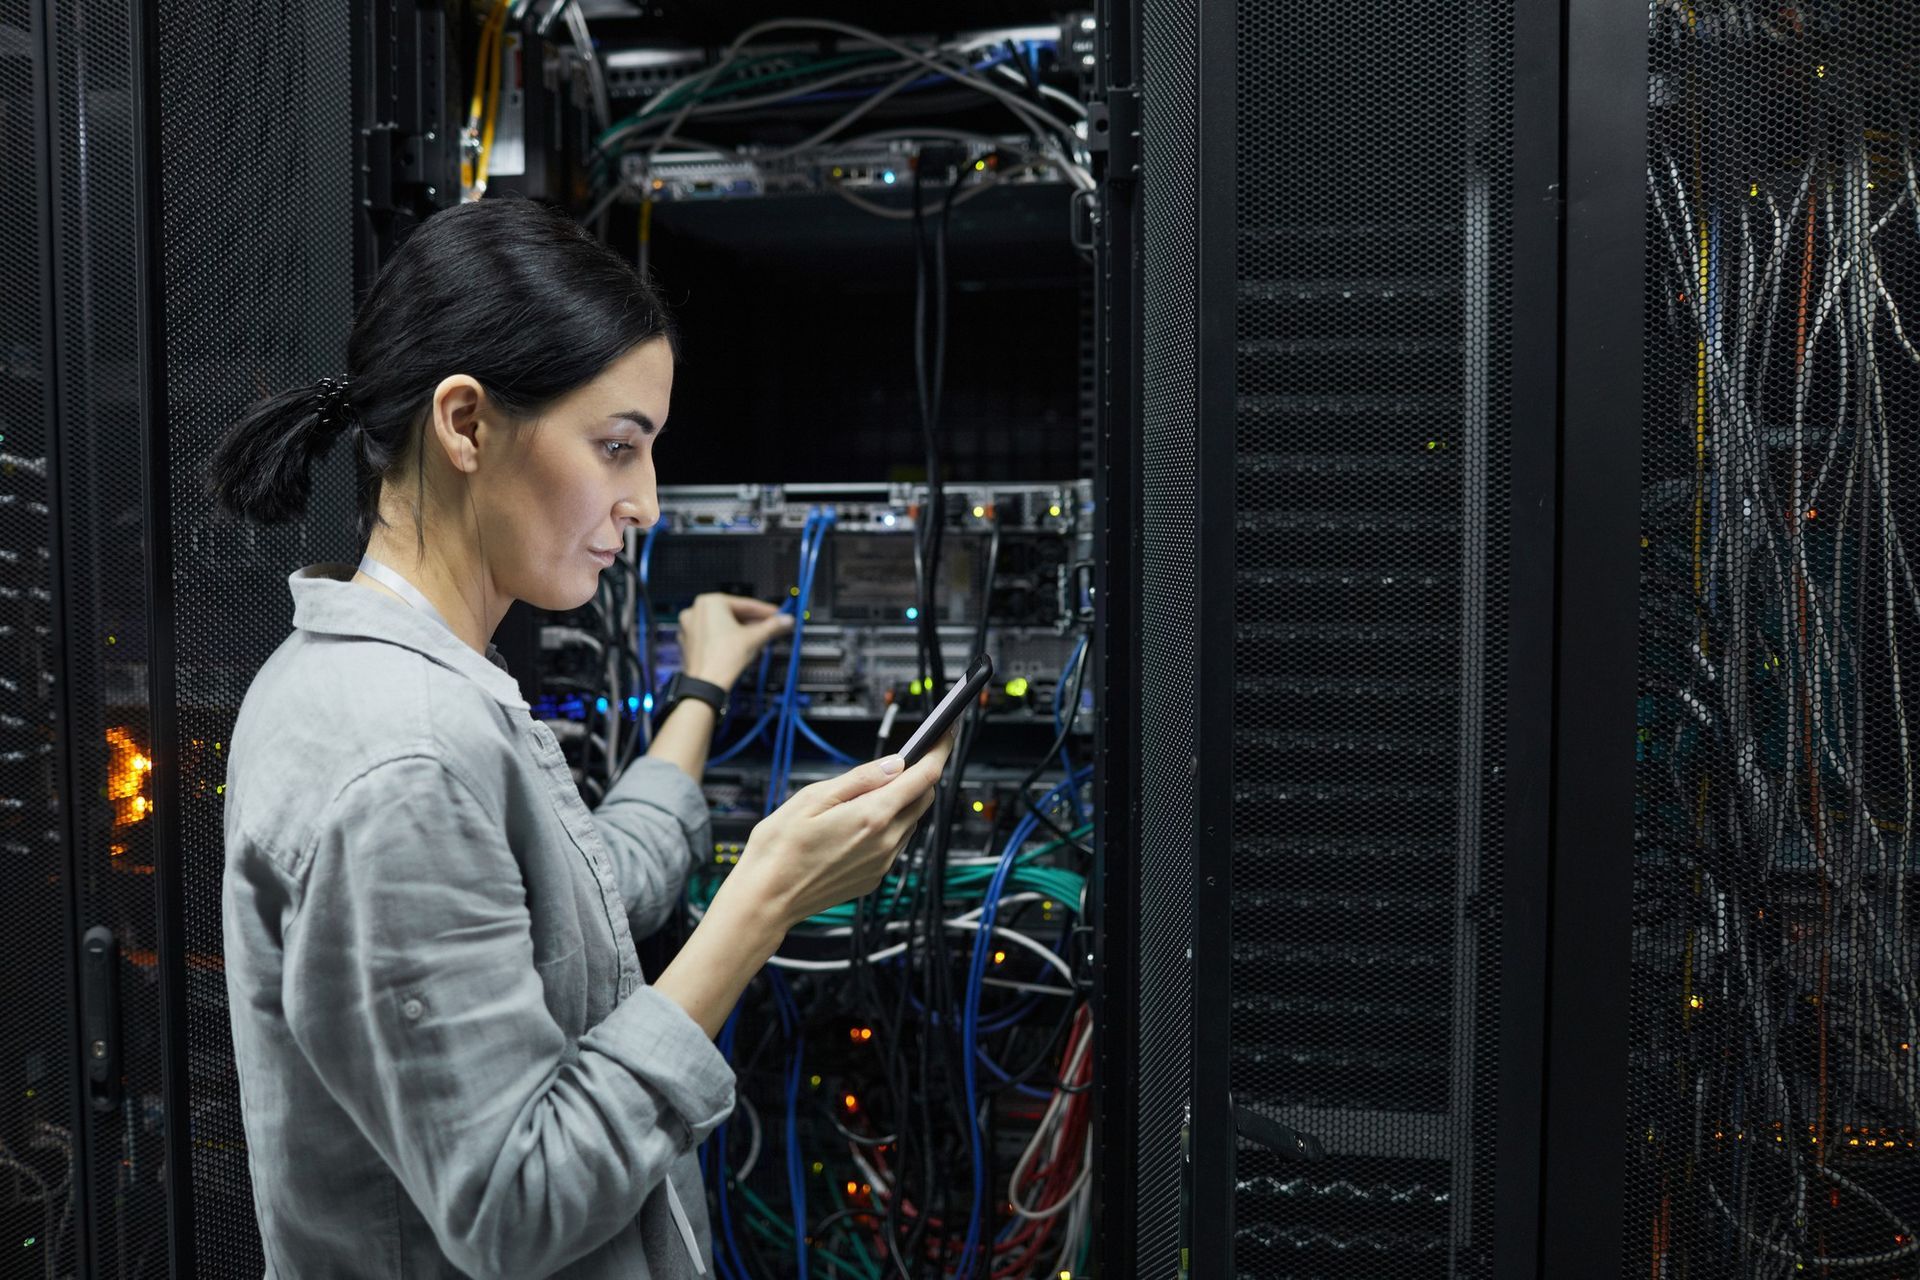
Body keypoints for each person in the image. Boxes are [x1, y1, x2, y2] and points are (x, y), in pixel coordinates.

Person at [207, 197, 952, 1280]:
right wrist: (764, 902)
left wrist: (700, 684)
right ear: (464, 423)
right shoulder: (399, 754)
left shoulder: (408, 689)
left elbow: (598, 885)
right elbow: (520, 1202)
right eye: (616, 447)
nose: (646, 502)